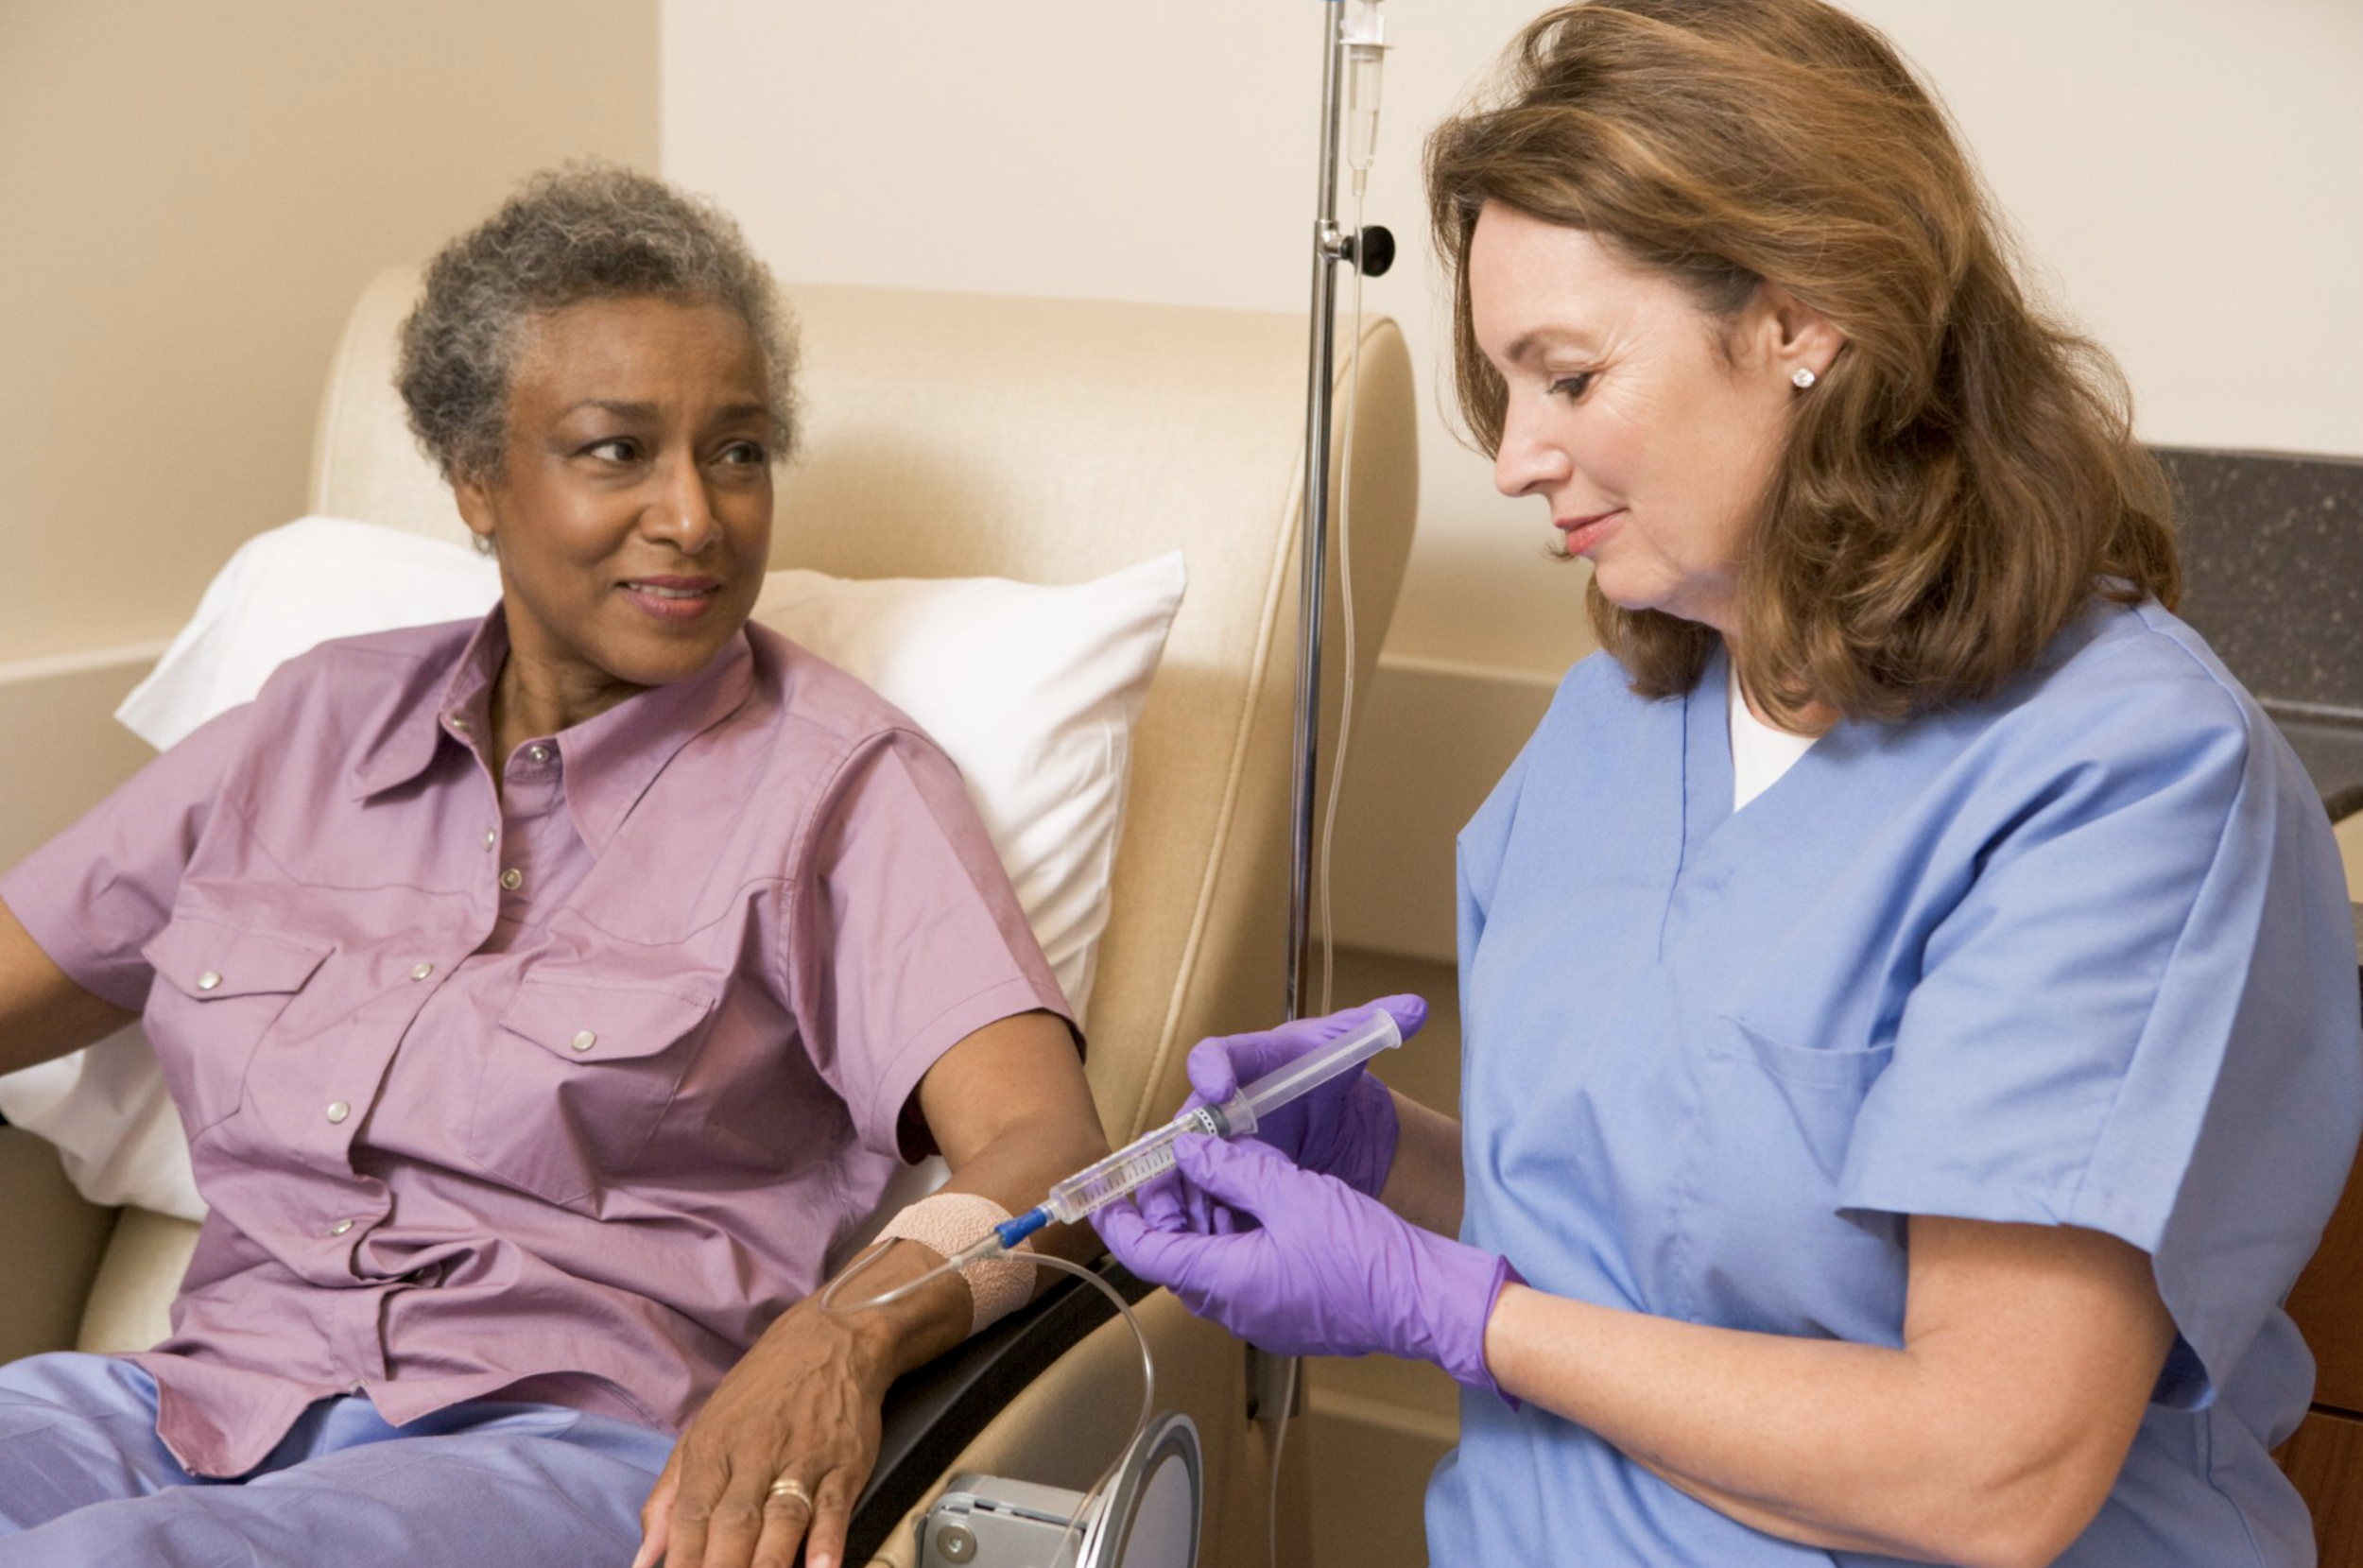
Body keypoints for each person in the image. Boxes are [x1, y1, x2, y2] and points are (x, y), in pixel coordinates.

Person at [1095, 4, 2363, 1564]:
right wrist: (1392, 1163)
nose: (1514, 458)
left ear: (1804, 317)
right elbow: (1637, 1240)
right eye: (1506, 389)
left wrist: (1452, 1314)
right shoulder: (1609, 727)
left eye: (1566, 375)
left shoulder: (2115, 775)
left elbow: (1992, 1467)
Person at [0, 164, 1107, 1568]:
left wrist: (845, 1332)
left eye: (741, 450)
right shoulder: (308, 725)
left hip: (551, 1451)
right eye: (615, 450)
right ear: (477, 475)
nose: (695, 516)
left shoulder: (836, 790)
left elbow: (1053, 1149)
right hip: (192, 1400)